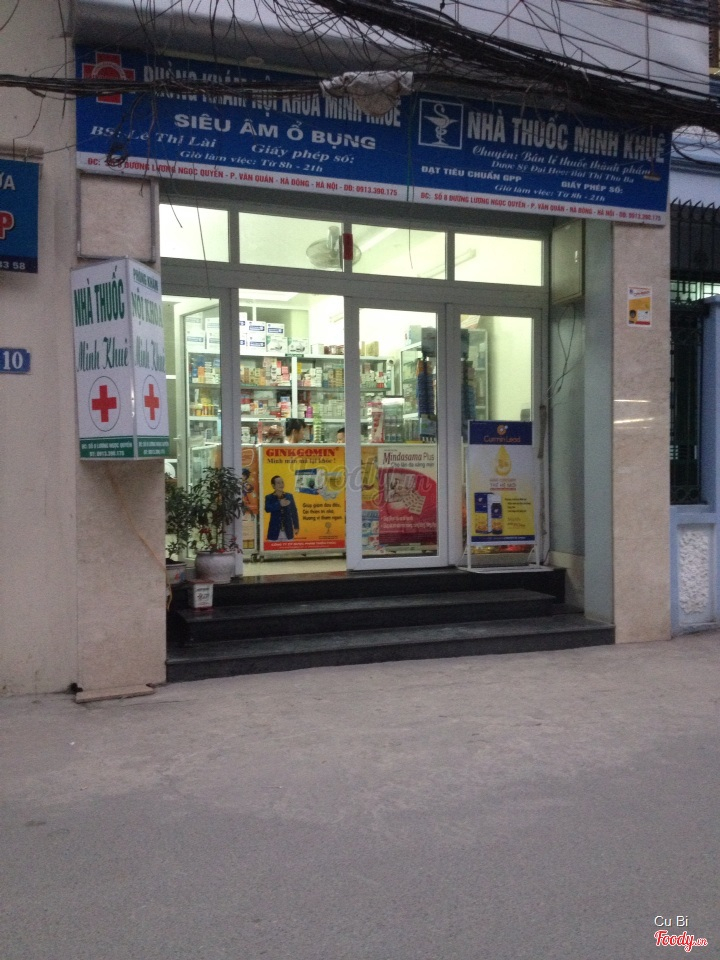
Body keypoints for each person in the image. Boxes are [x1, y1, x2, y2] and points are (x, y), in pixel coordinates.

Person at [265, 475, 300, 541]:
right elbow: (267, 509)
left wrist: (296, 526)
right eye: (278, 483)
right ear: (273, 486)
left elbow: (294, 512)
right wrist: (279, 504)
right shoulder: (269, 497)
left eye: (282, 482)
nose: (281, 484)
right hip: (274, 532)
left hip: (288, 531)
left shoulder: (289, 496)